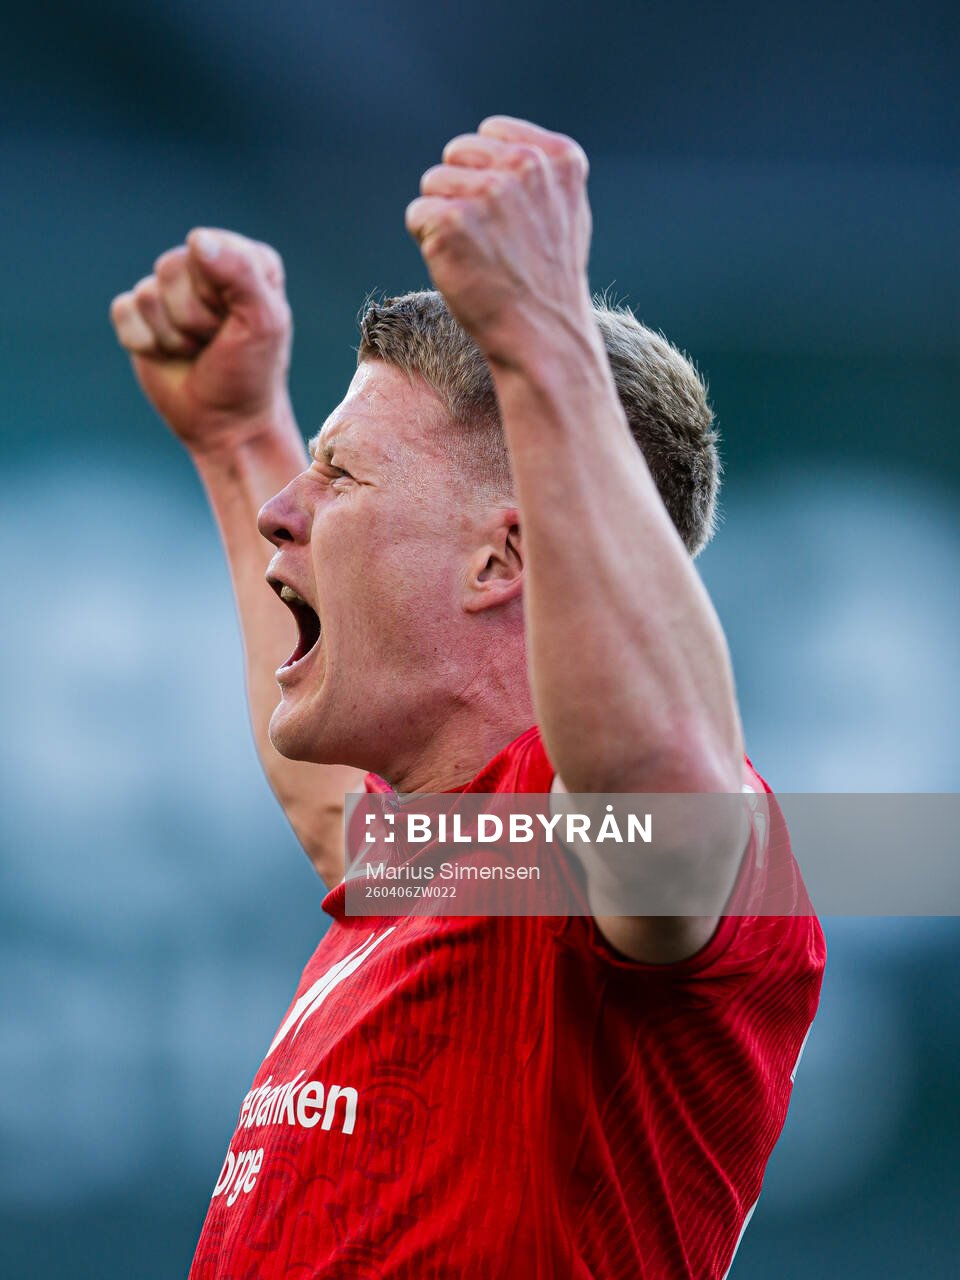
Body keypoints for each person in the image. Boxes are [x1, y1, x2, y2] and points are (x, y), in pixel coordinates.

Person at [110, 116, 824, 1279]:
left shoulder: (647, 838)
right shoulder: (456, 860)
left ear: (502, 560)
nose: (280, 509)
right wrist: (238, 432)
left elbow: (660, 805)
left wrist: (540, 327)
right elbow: (331, 814)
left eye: (336, 473)